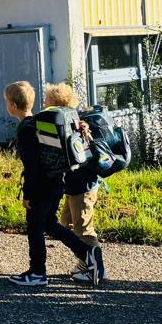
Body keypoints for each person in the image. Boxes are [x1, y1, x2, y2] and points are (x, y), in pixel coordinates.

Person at [4, 80, 93, 287]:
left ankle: (38, 273)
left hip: (41, 187)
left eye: (7, 102)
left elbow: (32, 167)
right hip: (56, 183)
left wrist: (28, 194)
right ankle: (87, 253)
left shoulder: (26, 129)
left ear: (13, 106)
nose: (7, 105)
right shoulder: (39, 123)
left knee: (35, 228)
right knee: (50, 225)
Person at [42, 81, 105, 284]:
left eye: (46, 100)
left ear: (55, 103)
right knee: (66, 224)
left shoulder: (72, 125)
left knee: (84, 229)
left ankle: (97, 269)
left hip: (82, 187)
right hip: (74, 186)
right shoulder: (70, 121)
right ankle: (85, 262)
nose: (44, 103)